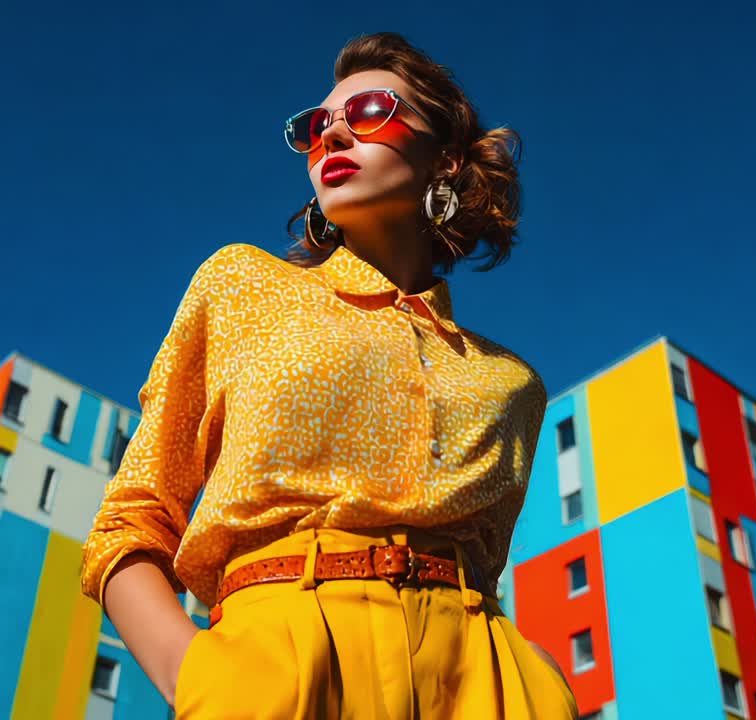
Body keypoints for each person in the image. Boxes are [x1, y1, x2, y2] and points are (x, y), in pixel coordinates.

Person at [81, 32, 579, 719]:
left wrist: (540, 682)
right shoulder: (243, 285)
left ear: (446, 159)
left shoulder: (514, 383)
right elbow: (133, 515)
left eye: (371, 110)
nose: (333, 135)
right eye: (316, 126)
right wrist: (192, 675)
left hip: (484, 683)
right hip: (282, 661)